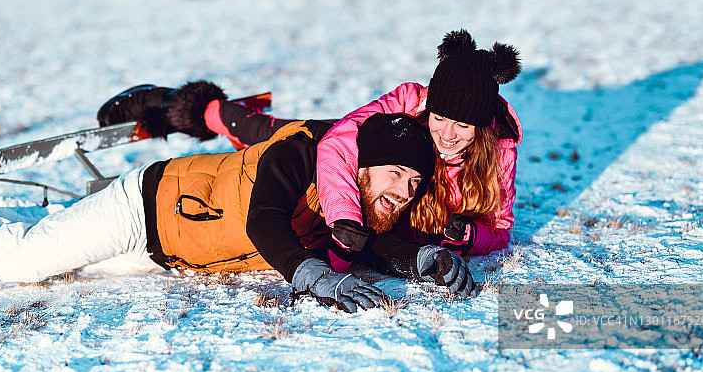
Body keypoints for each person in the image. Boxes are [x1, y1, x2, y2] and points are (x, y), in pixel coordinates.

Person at [0, 115, 475, 313]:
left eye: (414, 182)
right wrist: (313, 277)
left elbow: (371, 248)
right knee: (23, 259)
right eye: (396, 175)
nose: (404, 191)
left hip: (168, 255)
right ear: (364, 164)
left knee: (41, 236)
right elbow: (264, 221)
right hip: (143, 207)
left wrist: (425, 255)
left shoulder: (358, 204)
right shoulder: (303, 152)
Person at [97, 29, 522, 259]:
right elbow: (337, 144)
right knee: (264, 132)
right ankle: (176, 103)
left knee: (262, 143)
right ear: (428, 108)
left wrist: (469, 237)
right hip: (331, 140)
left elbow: (499, 229)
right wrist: (345, 220)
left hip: (388, 191)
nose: (447, 135)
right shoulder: (411, 101)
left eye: (462, 127)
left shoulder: (498, 148)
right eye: (440, 119)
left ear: (482, 126)